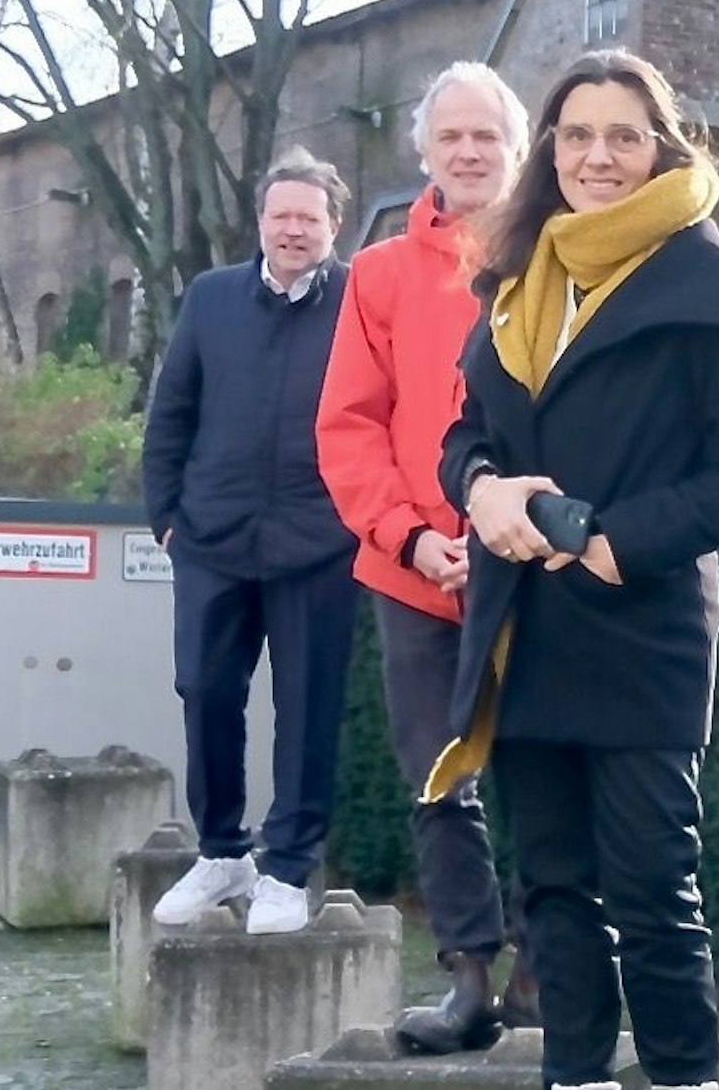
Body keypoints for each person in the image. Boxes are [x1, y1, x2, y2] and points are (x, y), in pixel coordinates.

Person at [430, 49, 719, 1090]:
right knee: (550, 893)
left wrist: (604, 538)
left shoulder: (710, 279)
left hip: (642, 631)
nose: (598, 156)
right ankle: (573, 1077)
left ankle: (683, 1078)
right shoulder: (515, 271)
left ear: (657, 146)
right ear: (549, 148)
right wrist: (482, 488)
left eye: (623, 135)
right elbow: (466, 431)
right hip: (523, 629)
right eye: (577, 134)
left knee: (652, 894)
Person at [315, 60, 537, 1052]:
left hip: (534, 563)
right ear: (424, 154)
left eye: (485, 134)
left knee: (544, 767)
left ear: (514, 147)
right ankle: (468, 975)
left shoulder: (560, 258)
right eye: (450, 137)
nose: (468, 150)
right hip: (408, 569)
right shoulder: (376, 274)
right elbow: (350, 427)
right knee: (437, 778)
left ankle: (545, 964)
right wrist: (409, 534)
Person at [142, 147, 361, 936]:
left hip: (318, 541)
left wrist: (358, 523)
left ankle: (288, 868)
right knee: (203, 688)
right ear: (259, 223)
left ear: (333, 226)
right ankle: (222, 850)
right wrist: (163, 515)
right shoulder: (210, 299)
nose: (293, 230)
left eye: (309, 217)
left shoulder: (359, 305)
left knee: (306, 709)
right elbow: (171, 413)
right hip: (211, 535)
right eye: (281, 216)